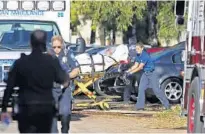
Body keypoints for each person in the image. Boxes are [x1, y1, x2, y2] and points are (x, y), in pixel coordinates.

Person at [0, 30, 69, 133]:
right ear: (45, 44)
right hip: (45, 109)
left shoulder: (21, 62)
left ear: (31, 43)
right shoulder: (51, 62)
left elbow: (9, 87)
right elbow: (64, 79)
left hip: (26, 109)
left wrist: (4, 108)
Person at [126, 43, 170, 110]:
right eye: (136, 49)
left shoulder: (145, 55)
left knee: (156, 90)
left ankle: (167, 106)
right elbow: (135, 65)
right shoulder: (138, 55)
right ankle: (140, 107)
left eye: (138, 49)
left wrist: (131, 72)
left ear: (142, 48)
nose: (136, 50)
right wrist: (128, 71)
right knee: (141, 89)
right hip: (145, 74)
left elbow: (140, 67)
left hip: (152, 73)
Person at [49, 36, 80, 133]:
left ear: (62, 45)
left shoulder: (67, 54)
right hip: (51, 88)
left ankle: (65, 131)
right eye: (54, 47)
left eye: (58, 47)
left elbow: (76, 70)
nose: (56, 49)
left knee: (65, 113)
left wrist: (68, 76)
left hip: (65, 87)